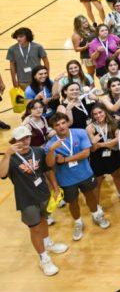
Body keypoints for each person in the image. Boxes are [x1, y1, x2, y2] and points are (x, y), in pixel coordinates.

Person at [1, 126, 69, 276]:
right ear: (14, 141)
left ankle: (47, 243)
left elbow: (47, 170)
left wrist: (55, 188)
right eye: (21, 139)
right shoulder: (11, 158)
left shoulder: (37, 151)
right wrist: (6, 154)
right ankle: (43, 258)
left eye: (27, 137)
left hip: (43, 194)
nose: (25, 141)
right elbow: (2, 174)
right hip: (26, 200)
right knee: (35, 228)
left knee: (44, 219)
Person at [45, 113, 111, 241]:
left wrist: (64, 159)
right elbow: (50, 164)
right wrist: (52, 151)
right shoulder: (50, 145)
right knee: (73, 202)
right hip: (66, 179)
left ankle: (96, 215)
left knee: (91, 196)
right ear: (53, 128)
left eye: (63, 123)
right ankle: (78, 222)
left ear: (67, 123)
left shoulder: (80, 132)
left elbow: (86, 153)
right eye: (57, 125)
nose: (61, 126)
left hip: (85, 174)